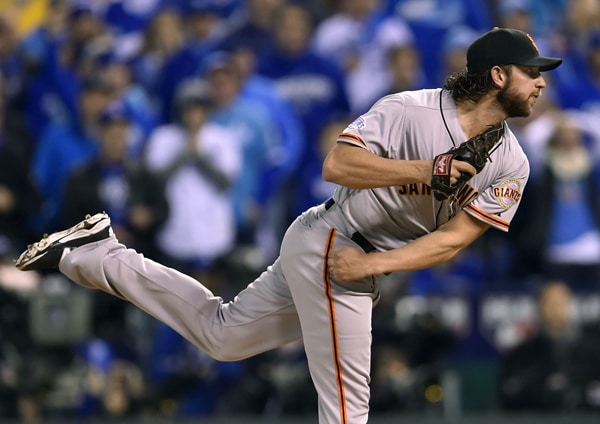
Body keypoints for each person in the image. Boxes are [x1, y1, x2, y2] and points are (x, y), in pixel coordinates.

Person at [15, 28, 562, 423]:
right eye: (532, 73)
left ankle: (96, 254)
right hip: (333, 239)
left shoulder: (513, 161)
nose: (540, 84)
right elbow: (336, 165)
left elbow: (453, 241)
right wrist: (425, 169)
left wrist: (374, 264)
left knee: (223, 336)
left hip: (355, 256)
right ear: (497, 75)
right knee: (348, 411)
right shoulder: (411, 109)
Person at [498, 280, 600, 411]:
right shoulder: (521, 355)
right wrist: (543, 389)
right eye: (550, 303)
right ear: (539, 307)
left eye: (560, 303)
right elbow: (509, 396)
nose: (555, 310)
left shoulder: (590, 353)